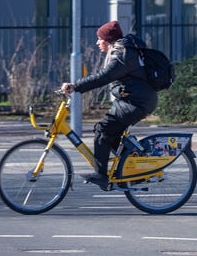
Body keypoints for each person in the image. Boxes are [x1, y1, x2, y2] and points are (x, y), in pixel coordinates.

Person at [61, 20, 158, 191]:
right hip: (135, 100)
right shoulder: (122, 51)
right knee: (109, 134)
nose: (97, 43)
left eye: (100, 39)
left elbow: (103, 77)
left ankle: (101, 175)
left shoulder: (122, 55)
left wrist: (76, 86)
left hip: (136, 102)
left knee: (102, 130)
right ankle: (133, 170)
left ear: (108, 40)